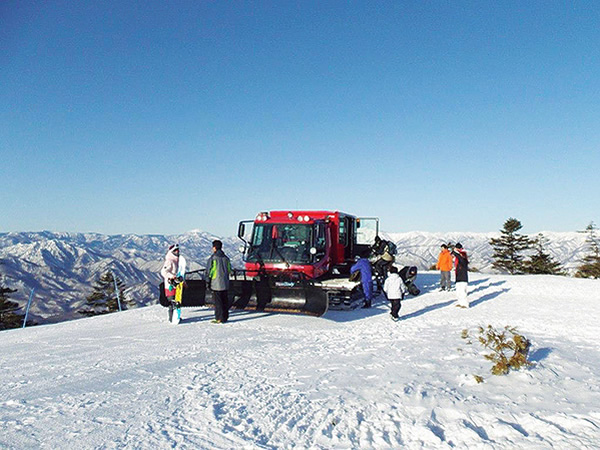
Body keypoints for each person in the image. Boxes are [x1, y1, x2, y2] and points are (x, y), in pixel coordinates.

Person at [205, 240, 232, 323]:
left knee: (218, 302)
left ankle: (219, 318)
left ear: (214, 248)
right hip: (225, 282)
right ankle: (225, 317)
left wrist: (208, 281)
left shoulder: (213, 258)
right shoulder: (226, 258)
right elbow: (229, 270)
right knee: (225, 300)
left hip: (216, 283)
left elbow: (209, 270)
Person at [160, 244, 181, 323]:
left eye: (178, 250)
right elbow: (163, 272)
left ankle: (176, 316)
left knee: (176, 301)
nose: (177, 252)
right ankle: (171, 318)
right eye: (175, 250)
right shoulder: (169, 261)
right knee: (172, 302)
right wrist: (171, 276)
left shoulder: (176, 261)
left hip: (176, 285)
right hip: (170, 286)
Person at [451, 242, 469, 308]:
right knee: (458, 291)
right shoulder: (458, 256)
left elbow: (462, 260)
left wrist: (455, 253)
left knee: (463, 291)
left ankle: (465, 304)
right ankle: (460, 302)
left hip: (463, 276)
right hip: (458, 275)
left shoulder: (463, 255)